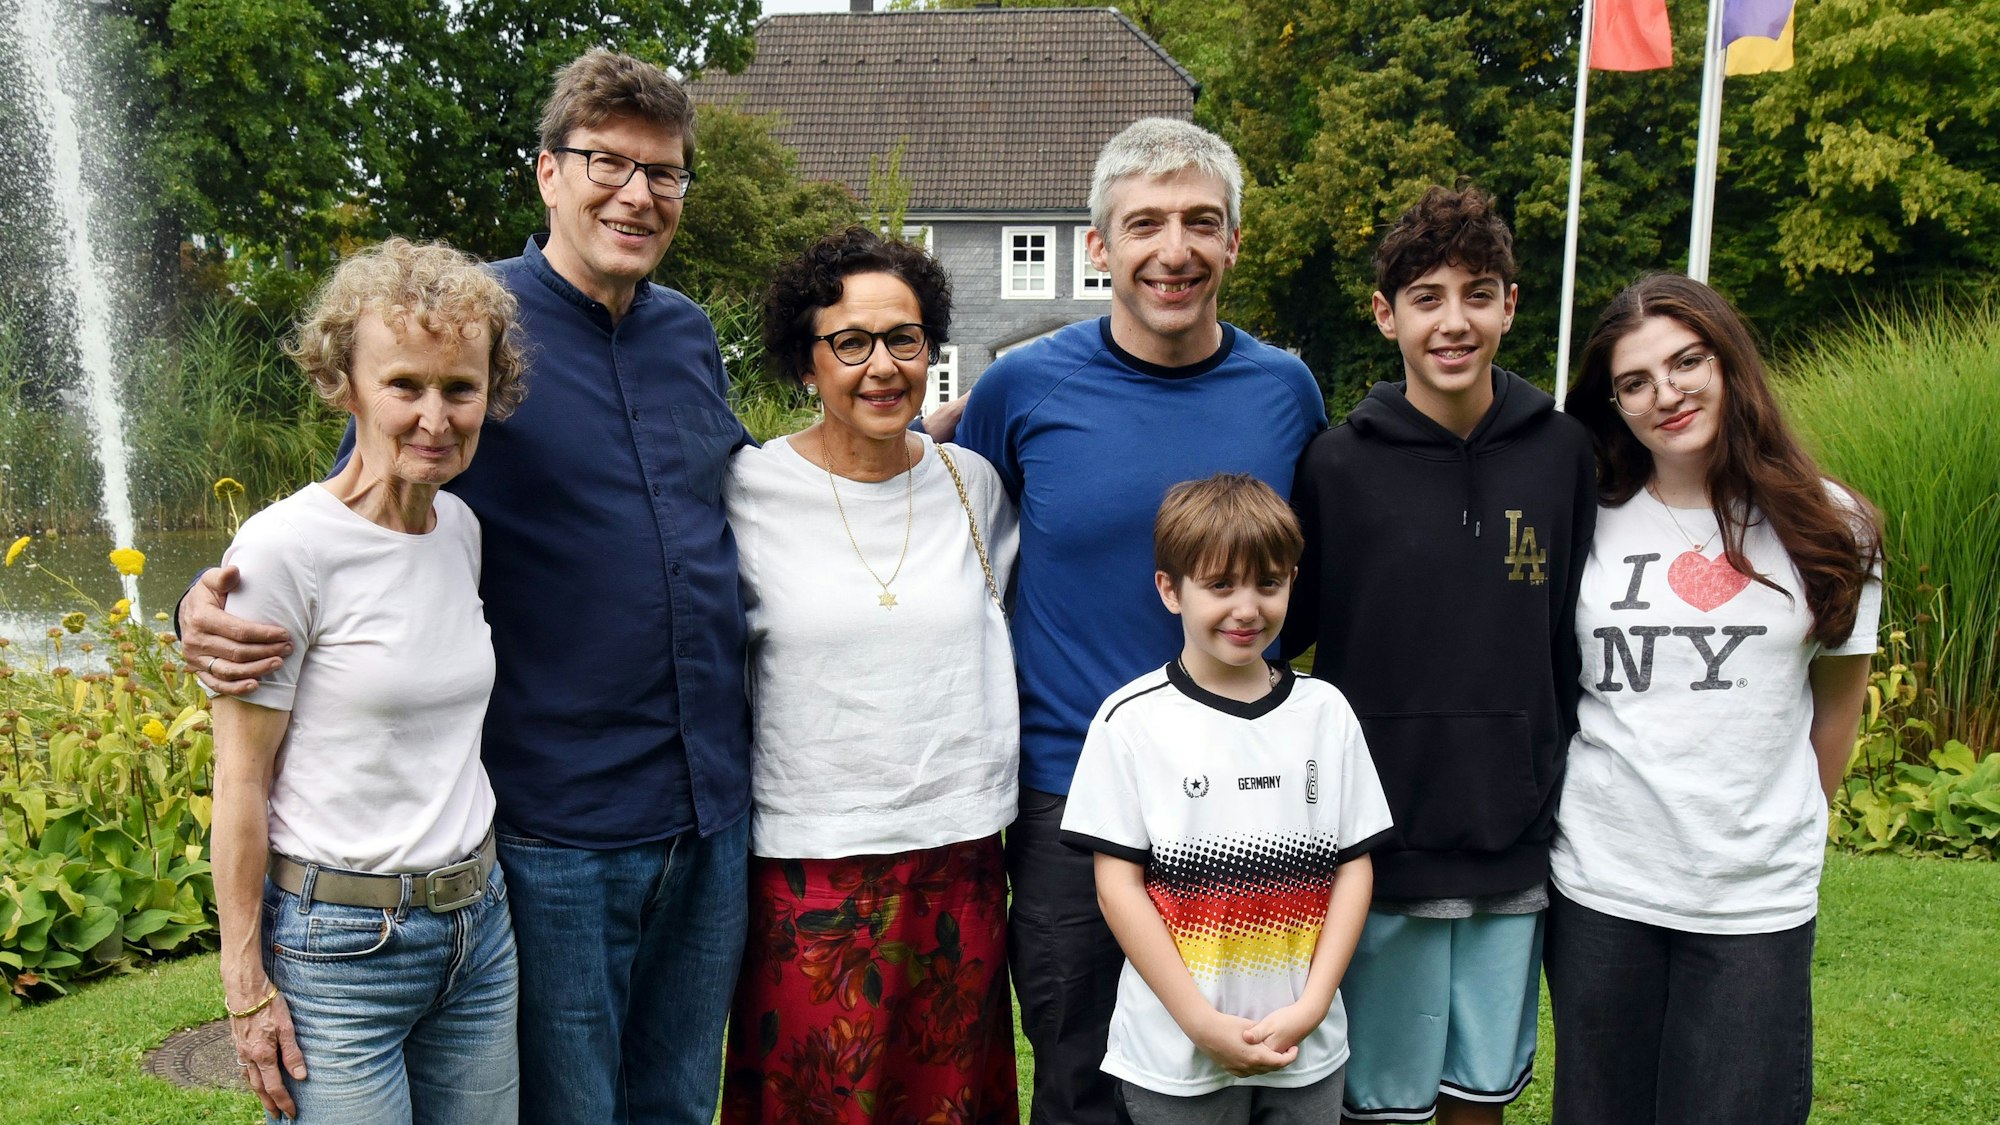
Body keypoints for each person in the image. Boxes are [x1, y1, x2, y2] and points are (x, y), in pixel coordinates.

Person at [181, 50, 752, 1125]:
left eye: (664, 173)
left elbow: (752, 491)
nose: (637, 193)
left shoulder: (688, 337)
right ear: (547, 171)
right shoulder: (467, 327)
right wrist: (204, 609)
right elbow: (352, 510)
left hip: (709, 808)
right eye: (607, 163)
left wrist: (910, 444)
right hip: (560, 822)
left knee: (679, 1102)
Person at [933, 117, 1328, 1125]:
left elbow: (1306, 574)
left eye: (1201, 222)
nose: (1174, 249)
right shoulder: (1021, 389)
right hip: (1071, 797)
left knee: (1240, 1066)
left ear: (1232, 243)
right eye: (1143, 223)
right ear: (1099, 246)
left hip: (1249, 798)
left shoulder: (1284, 391)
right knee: (1077, 1069)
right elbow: (962, 545)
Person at [1278, 184, 1596, 1125]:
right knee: (1379, 1103)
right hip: (1381, 843)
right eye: (1426, 296)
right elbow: (1288, 638)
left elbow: (1574, 636)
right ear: (1386, 315)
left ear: (1510, 304)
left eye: (1477, 292)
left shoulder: (1564, 452)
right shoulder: (1336, 463)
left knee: (1479, 1097)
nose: (1453, 320)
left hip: (1514, 835)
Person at [1545, 273, 1880, 1125]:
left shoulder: (1831, 525)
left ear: (1729, 362)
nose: (1668, 394)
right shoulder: (1588, 518)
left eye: (1687, 361)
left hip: (1753, 897)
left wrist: (1782, 822)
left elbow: (1837, 705)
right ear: (1613, 403)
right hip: (1604, 887)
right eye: (1635, 382)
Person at [211, 237, 528, 1123]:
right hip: (338, 949)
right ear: (343, 385)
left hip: (478, 930)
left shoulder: (459, 528)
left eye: (460, 388)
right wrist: (245, 982)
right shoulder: (285, 550)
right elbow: (240, 779)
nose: (436, 415)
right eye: (405, 385)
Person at [717, 226, 1020, 1124]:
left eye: (904, 338)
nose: (882, 365)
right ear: (806, 362)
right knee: (819, 1100)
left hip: (960, 858)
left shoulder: (973, 485)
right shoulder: (747, 491)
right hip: (812, 868)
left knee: (947, 1102)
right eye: (850, 342)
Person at [1061, 474, 1393, 1125]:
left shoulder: (1326, 711)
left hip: (1306, 1047)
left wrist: (1314, 1003)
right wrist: (1198, 1021)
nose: (1247, 607)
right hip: (1176, 1055)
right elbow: (1116, 888)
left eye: (1268, 583)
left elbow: (1355, 866)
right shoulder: (1128, 721)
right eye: (1220, 585)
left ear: (1293, 581)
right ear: (1170, 588)